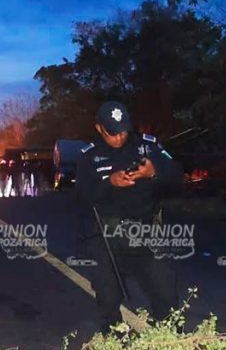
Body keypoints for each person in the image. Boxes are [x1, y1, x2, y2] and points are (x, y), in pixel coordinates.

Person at [76, 101, 183, 332]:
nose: (119, 137)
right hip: (106, 235)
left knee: (165, 292)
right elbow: (82, 194)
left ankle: (170, 343)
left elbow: (176, 174)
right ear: (99, 129)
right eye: (112, 133)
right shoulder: (89, 156)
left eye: (124, 131)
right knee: (108, 295)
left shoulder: (148, 145)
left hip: (145, 231)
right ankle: (114, 344)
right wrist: (109, 183)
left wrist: (154, 172)